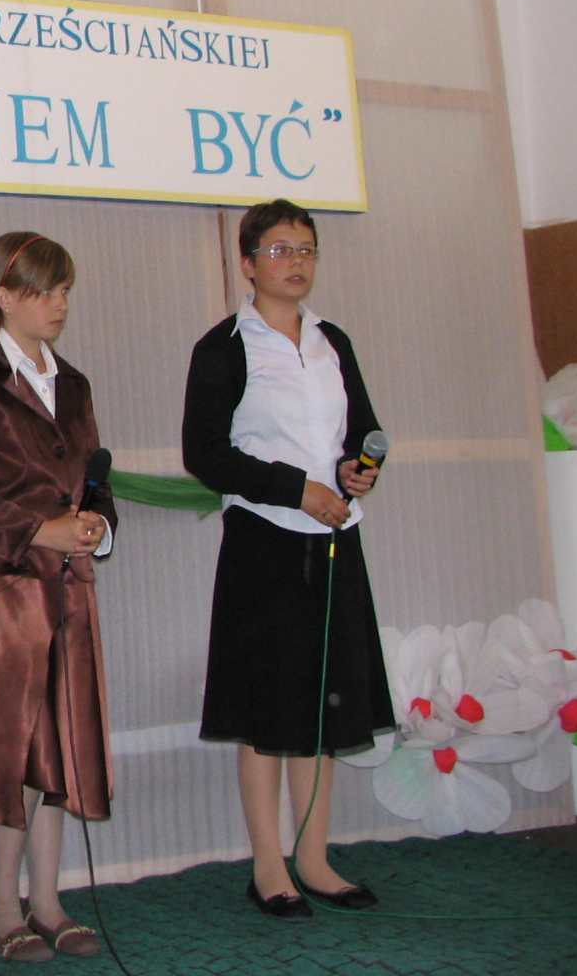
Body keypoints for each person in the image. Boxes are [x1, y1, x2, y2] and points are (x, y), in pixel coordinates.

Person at [182, 198, 392, 919]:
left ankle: (315, 857)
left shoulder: (333, 340)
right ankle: (269, 865)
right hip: (264, 542)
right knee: (267, 706)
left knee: (323, 703)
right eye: (279, 250)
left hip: (335, 536)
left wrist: (357, 470)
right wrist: (296, 488)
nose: (295, 262)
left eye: (306, 249)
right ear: (247, 263)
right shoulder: (224, 347)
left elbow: (362, 429)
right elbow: (206, 453)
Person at [0, 232, 116, 963]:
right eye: (45, 291)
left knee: (60, 749)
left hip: (69, 587)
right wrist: (42, 528)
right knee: (9, 753)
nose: (59, 304)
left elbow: (95, 476)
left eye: (65, 290)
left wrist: (96, 525)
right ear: (4, 296)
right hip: (3, 591)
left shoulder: (75, 384)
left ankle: (48, 900)